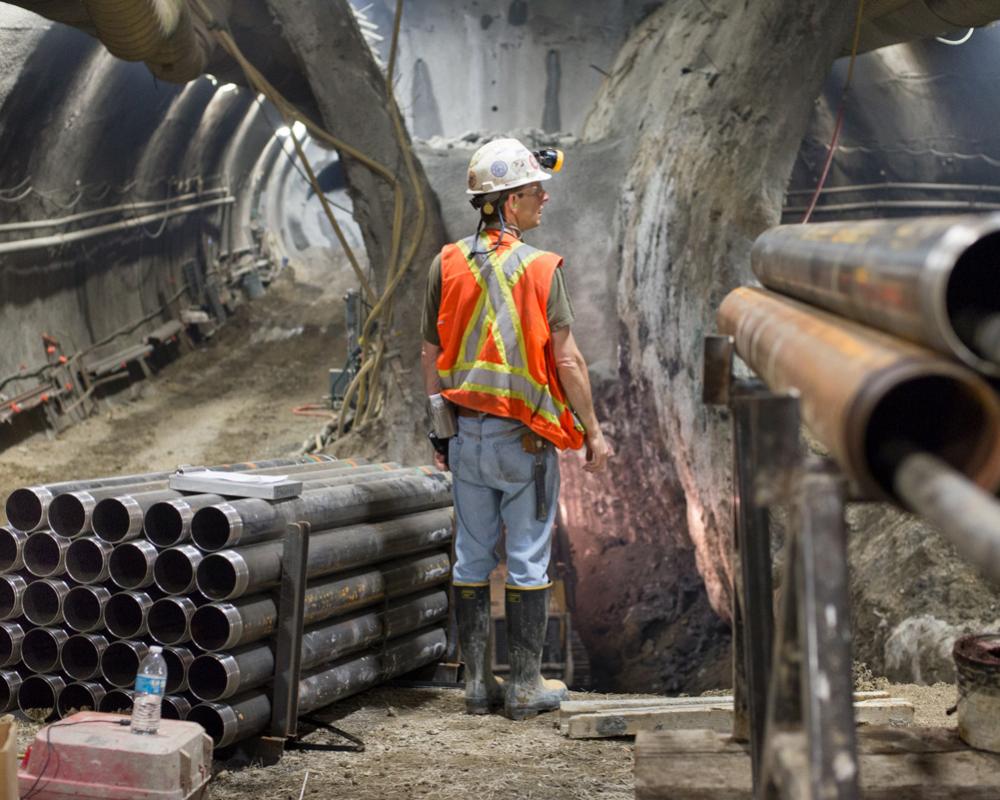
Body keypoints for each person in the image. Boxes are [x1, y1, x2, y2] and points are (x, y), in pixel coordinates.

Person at [420, 137, 613, 720]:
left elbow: (431, 353)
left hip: (465, 439)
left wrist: (439, 430)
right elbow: (569, 361)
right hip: (524, 442)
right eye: (533, 192)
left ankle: (477, 686)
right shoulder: (539, 268)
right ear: (504, 203)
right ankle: (526, 687)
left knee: (471, 559)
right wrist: (594, 431)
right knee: (528, 559)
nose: (543, 199)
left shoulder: (446, 262)